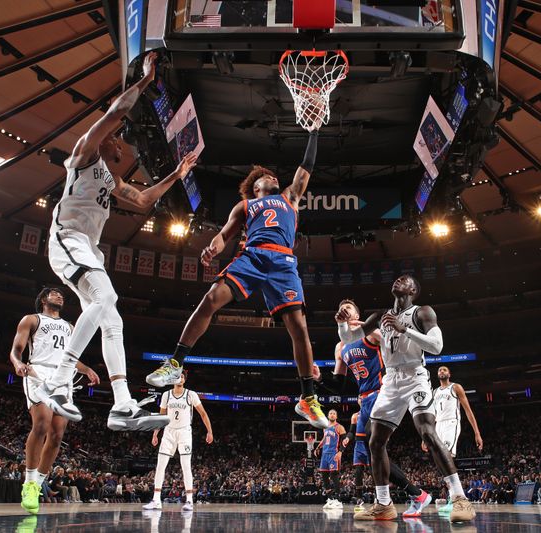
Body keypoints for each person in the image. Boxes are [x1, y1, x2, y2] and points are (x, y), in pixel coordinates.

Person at [35, 50, 196, 431]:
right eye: (118, 139)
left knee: (113, 322)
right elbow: (114, 115)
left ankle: (122, 405)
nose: (122, 144)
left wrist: (175, 175)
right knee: (107, 299)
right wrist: (143, 80)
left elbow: (141, 199)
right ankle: (58, 380)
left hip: (86, 249)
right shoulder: (84, 153)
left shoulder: (110, 177)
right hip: (67, 240)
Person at [145, 130, 328, 429]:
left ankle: (307, 399)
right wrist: (211, 248)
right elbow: (223, 235)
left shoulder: (290, 198)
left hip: (283, 261)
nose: (272, 178)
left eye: (273, 176)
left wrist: (314, 132)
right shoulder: (244, 207)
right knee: (211, 300)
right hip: (252, 256)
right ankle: (175, 364)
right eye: (265, 177)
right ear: (255, 187)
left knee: (300, 329)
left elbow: (306, 166)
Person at [337, 275, 475, 523]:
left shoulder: (422, 312)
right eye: (398, 278)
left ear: (412, 290)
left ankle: (460, 498)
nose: (399, 279)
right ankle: (384, 504)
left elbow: (437, 346)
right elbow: (349, 338)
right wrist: (342, 326)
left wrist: (405, 330)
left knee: (427, 432)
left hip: (415, 376)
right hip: (390, 381)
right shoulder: (380, 316)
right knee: (375, 441)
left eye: (406, 279)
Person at [332, 299, 431, 517]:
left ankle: (388, 501)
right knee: (372, 451)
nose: (345, 310)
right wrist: (317, 379)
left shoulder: (369, 333)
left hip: (381, 392)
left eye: (349, 308)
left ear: (357, 313)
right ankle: (416, 495)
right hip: (364, 399)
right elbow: (337, 384)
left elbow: (394, 348)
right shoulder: (340, 347)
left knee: (372, 442)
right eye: (342, 309)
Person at [10, 287, 100, 514]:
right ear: (43, 299)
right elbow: (16, 350)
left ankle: (38, 484)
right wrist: (18, 363)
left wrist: (87, 368)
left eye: (61, 294)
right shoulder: (31, 320)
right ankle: (29, 483)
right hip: (38, 372)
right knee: (41, 424)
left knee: (57, 434)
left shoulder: (70, 327)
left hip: (63, 377)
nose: (59, 296)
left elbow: (72, 358)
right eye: (53, 293)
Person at [143, 372, 213, 512]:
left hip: (184, 432)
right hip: (169, 431)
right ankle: (156, 499)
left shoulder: (190, 394)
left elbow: (203, 414)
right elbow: (162, 416)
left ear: (185, 380)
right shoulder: (166, 395)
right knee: (160, 465)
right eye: (177, 376)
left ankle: (189, 501)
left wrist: (209, 431)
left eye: (182, 376)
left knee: (185, 466)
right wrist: (156, 433)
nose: (179, 378)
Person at [427, 365, 483, 515]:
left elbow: (468, 410)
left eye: (444, 370)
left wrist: (477, 433)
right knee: (440, 460)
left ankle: (458, 498)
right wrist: (426, 434)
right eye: (439, 370)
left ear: (449, 374)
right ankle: (454, 496)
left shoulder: (456, 387)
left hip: (451, 423)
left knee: (446, 457)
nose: (442, 372)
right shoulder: (435, 392)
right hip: (437, 426)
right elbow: (432, 415)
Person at [314, 409, 346, 510]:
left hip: (333, 454)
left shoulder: (339, 427)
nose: (332, 415)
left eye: (334, 414)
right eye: (330, 413)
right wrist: (318, 447)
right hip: (324, 454)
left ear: (336, 416)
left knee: (334, 475)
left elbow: (345, 440)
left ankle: (339, 500)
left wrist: (340, 452)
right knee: (324, 475)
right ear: (328, 416)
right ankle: (330, 499)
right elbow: (324, 438)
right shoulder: (325, 427)